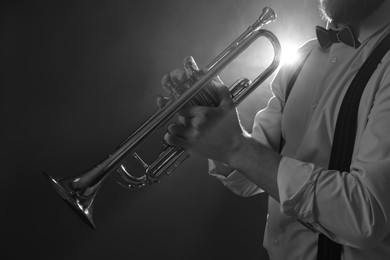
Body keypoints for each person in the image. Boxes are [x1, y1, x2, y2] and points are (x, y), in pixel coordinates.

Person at [158, 0, 390, 259]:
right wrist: (214, 117)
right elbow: (249, 179)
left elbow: (366, 218)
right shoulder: (304, 55)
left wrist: (237, 148)